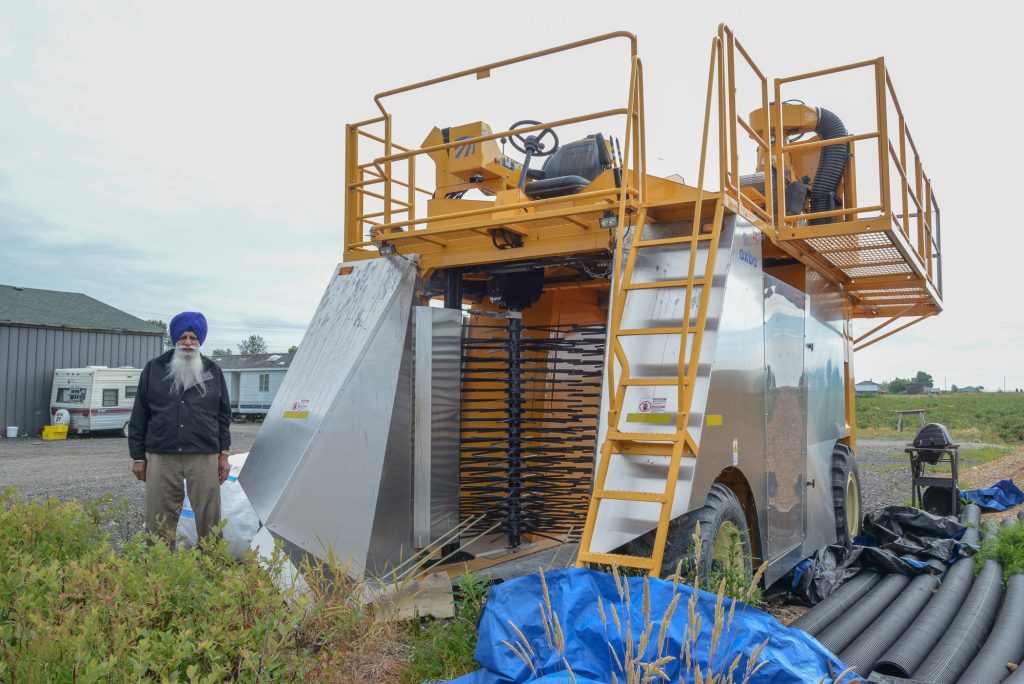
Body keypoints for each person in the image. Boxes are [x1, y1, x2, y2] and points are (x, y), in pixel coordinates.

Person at [128, 311, 231, 548]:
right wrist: (137, 457)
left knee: (209, 516)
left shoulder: (213, 371)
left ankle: (212, 567)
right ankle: (159, 570)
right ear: (175, 339)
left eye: (193, 337)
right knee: (158, 518)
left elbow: (223, 416)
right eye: (183, 337)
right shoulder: (154, 369)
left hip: (204, 453)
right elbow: (139, 415)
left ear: (200, 341)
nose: (187, 342)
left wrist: (223, 454)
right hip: (161, 454)